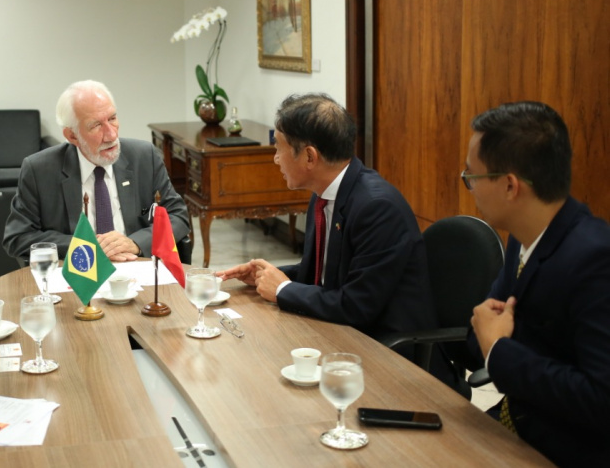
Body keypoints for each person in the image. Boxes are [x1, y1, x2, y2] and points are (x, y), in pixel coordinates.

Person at [216, 93, 437, 355]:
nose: (275, 159)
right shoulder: (324, 195)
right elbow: (324, 273)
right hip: (340, 334)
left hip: (388, 353)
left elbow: (357, 306)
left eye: (279, 149)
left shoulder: (377, 207)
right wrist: (266, 275)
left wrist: (283, 289)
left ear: (310, 157)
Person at [464, 101, 610, 465]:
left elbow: (600, 398)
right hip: (515, 426)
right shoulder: (522, 235)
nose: (469, 187)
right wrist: (490, 339)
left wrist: (499, 349)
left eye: (472, 176)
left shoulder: (595, 259)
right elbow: (480, 331)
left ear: (511, 186)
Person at [3, 80, 189, 261]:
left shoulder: (144, 157)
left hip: (136, 266)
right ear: (72, 135)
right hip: (78, 274)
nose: (111, 134)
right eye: (96, 125)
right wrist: (86, 246)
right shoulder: (40, 170)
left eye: (112, 119)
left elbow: (178, 216)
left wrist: (135, 242)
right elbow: (18, 237)